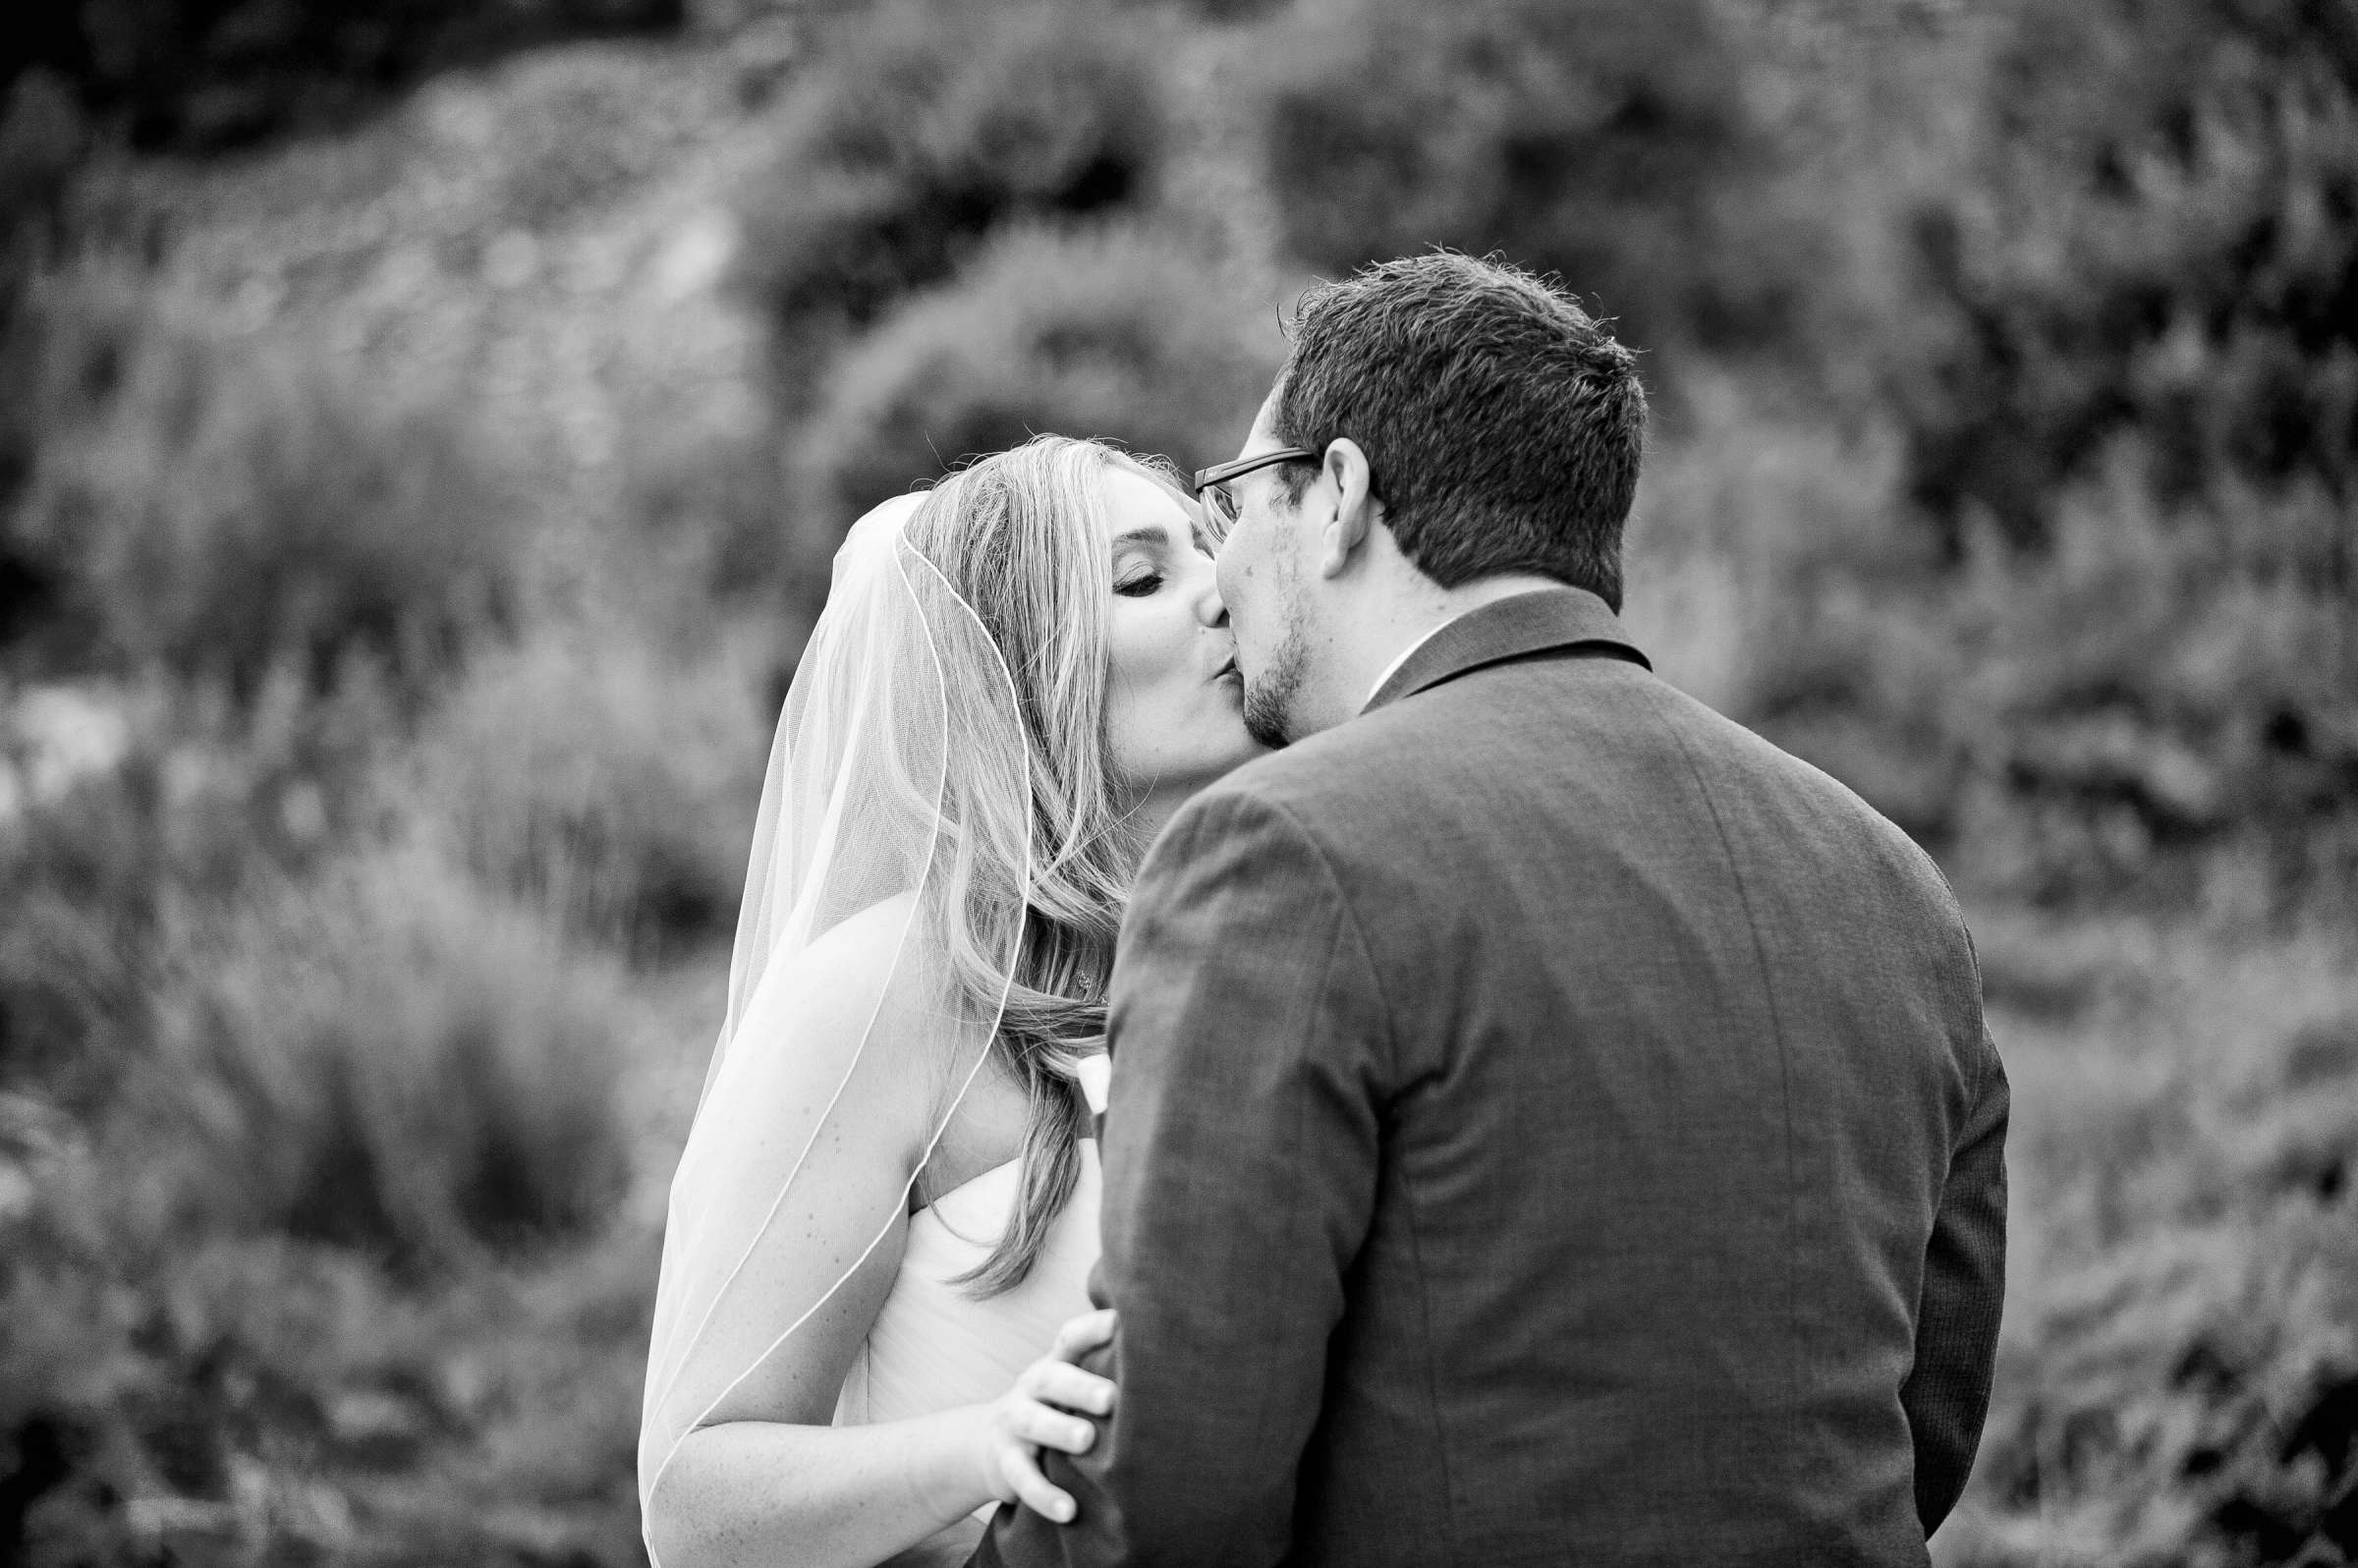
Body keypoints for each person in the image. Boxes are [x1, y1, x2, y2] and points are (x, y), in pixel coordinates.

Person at [970, 252, 2010, 1568]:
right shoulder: (1892, 886)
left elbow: (1178, 1490)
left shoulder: (1283, 852)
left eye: (1237, 503)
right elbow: (1925, 1433)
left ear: (1339, 496)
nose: (1219, 579)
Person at [639, 437, 1264, 1568]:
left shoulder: (1248, 958)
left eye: (1211, 549)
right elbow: (694, 1502)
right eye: (1142, 578)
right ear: (1023, 673)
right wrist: (991, 1447)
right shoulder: (887, 990)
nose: (1227, 589)